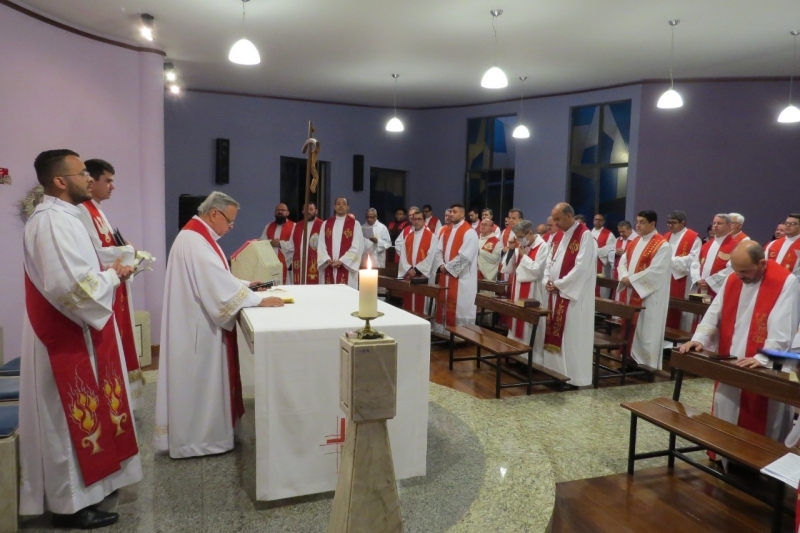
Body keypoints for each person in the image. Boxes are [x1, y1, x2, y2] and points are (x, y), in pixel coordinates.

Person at [21, 149, 141, 528]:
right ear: (60, 181)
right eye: (82, 174)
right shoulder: (51, 222)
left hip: (79, 328)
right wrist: (113, 276)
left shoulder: (67, 217)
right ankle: (69, 506)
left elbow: (79, 270)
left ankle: (93, 487)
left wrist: (110, 266)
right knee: (66, 417)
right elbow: (69, 286)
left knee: (89, 412)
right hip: (65, 335)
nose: (90, 179)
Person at [155, 191, 284, 459]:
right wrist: (257, 299)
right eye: (230, 220)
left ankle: (207, 436)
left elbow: (217, 277)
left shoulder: (197, 236)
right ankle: (202, 441)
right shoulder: (194, 241)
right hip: (198, 331)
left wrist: (245, 285)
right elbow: (217, 288)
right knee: (201, 383)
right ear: (214, 213)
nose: (231, 227)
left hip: (195, 323)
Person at [680, 241, 800, 444]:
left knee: (762, 420)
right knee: (726, 410)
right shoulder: (733, 278)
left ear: (762, 263)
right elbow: (715, 311)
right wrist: (699, 339)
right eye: (736, 270)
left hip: (762, 365)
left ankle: (759, 458)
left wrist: (764, 357)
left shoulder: (785, 282)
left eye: (744, 271)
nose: (739, 276)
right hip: (731, 359)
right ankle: (723, 451)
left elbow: (784, 326)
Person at [77, 158, 144, 410]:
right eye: (108, 181)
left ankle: (123, 398)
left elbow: (107, 246)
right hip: (106, 285)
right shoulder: (83, 210)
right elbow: (94, 254)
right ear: (91, 181)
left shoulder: (96, 209)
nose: (112, 186)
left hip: (116, 285)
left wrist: (126, 250)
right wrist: (128, 251)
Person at [543, 203, 596, 386]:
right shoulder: (559, 235)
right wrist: (547, 279)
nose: (555, 223)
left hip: (572, 297)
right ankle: (555, 373)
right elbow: (549, 261)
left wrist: (559, 284)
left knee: (572, 337)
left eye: (558, 219)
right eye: (554, 219)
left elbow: (582, 268)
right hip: (556, 294)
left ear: (569, 216)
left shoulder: (585, 236)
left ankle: (573, 377)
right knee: (557, 332)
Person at [617, 211, 672, 369]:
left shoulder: (662, 245)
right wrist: (624, 276)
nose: (638, 225)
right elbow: (623, 262)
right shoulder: (635, 242)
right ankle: (629, 359)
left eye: (642, 222)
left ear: (653, 223)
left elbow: (656, 271)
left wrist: (631, 280)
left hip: (649, 296)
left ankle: (646, 365)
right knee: (631, 327)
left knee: (647, 330)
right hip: (632, 291)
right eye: (637, 222)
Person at [502, 220, 549, 355]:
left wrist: (524, 256)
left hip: (533, 292)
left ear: (530, 233)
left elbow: (537, 271)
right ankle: (514, 353)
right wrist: (512, 249)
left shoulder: (543, 247)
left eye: (521, 237)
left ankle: (530, 356)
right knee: (516, 322)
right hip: (517, 290)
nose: (519, 240)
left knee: (528, 325)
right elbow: (509, 269)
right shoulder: (520, 247)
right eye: (517, 237)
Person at [432, 203, 479, 334]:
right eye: (450, 212)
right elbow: (438, 251)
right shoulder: (446, 230)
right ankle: (443, 333)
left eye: (454, 212)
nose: (451, 214)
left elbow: (465, 257)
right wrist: (441, 265)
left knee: (459, 308)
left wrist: (446, 267)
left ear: (462, 214)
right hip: (445, 276)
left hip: (462, 280)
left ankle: (460, 335)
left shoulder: (470, 232)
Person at [665, 210, 702, 330]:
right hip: (666, 278)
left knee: (682, 315)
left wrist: (668, 260)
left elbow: (692, 259)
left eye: (673, 223)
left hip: (683, 278)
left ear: (682, 223)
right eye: (668, 222)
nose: (670, 225)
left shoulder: (693, 238)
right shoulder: (666, 236)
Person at [318, 197, 364, 288]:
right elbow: (321, 244)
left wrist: (342, 261)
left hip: (347, 266)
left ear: (348, 207)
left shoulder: (355, 224)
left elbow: (357, 246)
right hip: (329, 265)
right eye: (338, 204)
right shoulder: (326, 224)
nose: (341, 206)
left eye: (343, 204)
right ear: (334, 207)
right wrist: (327, 259)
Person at [397, 209, 437, 315]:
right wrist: (409, 269)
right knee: (409, 308)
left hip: (423, 277)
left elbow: (431, 256)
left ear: (424, 221)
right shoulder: (408, 237)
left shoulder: (432, 237)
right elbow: (403, 256)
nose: (417, 221)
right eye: (415, 219)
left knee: (422, 309)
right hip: (410, 276)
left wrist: (417, 270)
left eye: (419, 219)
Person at [691, 214, 737, 298]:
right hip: (701, 287)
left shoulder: (735, 246)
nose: (715, 225)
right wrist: (697, 280)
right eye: (714, 223)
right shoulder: (706, 245)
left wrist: (710, 282)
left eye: (719, 223)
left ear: (729, 226)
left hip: (718, 291)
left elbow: (733, 268)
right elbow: (695, 264)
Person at [287, 203, 323, 284]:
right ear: (303, 212)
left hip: (315, 265)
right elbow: (291, 246)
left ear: (316, 211)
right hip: (299, 265)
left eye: (311, 209)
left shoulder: (322, 225)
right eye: (306, 210)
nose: (308, 212)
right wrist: (289, 262)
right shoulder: (297, 226)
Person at [261, 203, 295, 284]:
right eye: (278, 210)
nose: (280, 212)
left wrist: (280, 244)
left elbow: (295, 245)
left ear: (287, 213)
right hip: (271, 264)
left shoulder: (294, 226)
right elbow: (261, 242)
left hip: (286, 265)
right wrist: (270, 243)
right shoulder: (268, 226)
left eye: (282, 210)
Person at [764, 213, 800, 281]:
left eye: (792, 224)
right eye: (786, 223)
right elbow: (764, 264)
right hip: (771, 281)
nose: (788, 226)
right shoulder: (772, 244)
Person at [591, 213, 616, 297]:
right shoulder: (589, 233)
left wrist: (596, 251)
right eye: (596, 219)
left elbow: (612, 249)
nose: (598, 221)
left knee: (602, 291)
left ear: (603, 222)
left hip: (602, 267)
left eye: (600, 220)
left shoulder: (609, 234)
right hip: (590, 265)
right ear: (593, 221)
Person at [610, 221, 635, 301]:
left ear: (630, 229)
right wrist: (615, 253)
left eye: (623, 231)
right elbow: (610, 252)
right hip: (618, 271)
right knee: (617, 296)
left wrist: (625, 254)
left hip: (629, 273)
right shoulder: (618, 240)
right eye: (619, 232)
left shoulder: (637, 240)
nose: (621, 234)